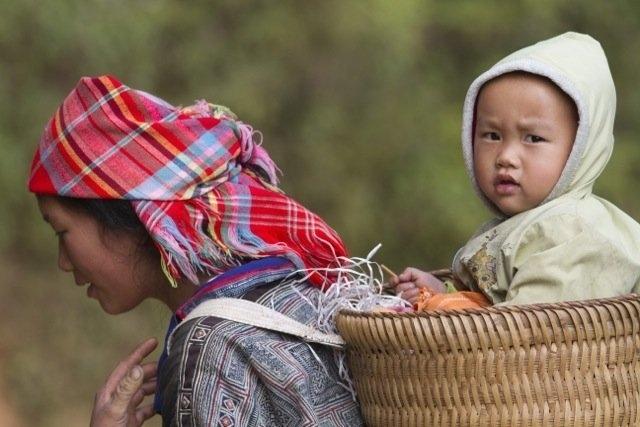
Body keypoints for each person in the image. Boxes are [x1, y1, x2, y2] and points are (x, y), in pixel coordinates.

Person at [29, 75, 362, 426]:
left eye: (61, 231)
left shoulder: (209, 350)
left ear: (125, 218)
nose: (63, 262)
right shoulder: (303, 294)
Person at [393, 32, 640, 306]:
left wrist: (436, 309)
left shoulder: (571, 233)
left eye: (533, 138)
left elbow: (526, 333)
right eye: (492, 135)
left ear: (581, 149)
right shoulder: (522, 225)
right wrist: (441, 292)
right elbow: (490, 307)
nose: (506, 157)